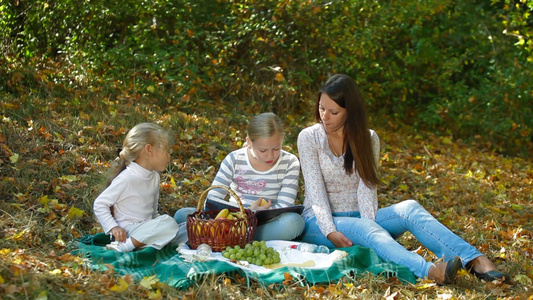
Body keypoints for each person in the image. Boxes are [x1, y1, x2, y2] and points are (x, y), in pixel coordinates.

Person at [296, 74, 511, 284]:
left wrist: (369, 225)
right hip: (320, 223)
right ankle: (431, 271)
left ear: (350, 112)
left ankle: (475, 260)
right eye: (322, 108)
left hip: (361, 217)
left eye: (333, 112)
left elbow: (367, 188)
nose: (324, 117)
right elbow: (316, 192)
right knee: (365, 229)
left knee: (409, 209)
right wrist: (331, 230)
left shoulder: (368, 138)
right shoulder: (309, 138)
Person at [174, 112, 305, 241]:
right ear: (249, 142)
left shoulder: (290, 162)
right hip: (233, 220)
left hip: (266, 223)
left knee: (294, 223)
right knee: (182, 215)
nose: (270, 156)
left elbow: (285, 205)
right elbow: (213, 198)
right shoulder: (234, 159)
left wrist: (255, 215)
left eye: (276, 148)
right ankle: (237, 236)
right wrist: (247, 212)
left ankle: (227, 237)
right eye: (263, 150)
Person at [94, 123, 181, 252]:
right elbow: (100, 204)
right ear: (149, 150)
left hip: (146, 228)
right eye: (166, 150)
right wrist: (114, 227)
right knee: (170, 224)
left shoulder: (154, 177)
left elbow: (153, 212)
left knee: (182, 222)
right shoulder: (127, 178)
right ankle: (125, 246)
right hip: (128, 232)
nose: (169, 155)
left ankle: (151, 239)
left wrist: (158, 224)